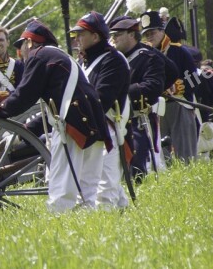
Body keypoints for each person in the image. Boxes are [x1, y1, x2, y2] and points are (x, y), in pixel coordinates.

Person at [0, 21, 111, 213]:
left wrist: (0, 110)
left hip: (73, 123)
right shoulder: (57, 56)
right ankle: (87, 222)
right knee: (87, 187)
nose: (20, 53)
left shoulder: (39, 56)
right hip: (92, 121)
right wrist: (25, 131)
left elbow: (24, 95)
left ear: (30, 43)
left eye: (20, 46)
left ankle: (58, 219)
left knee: (61, 182)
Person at [70, 11, 130, 209]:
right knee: (95, 182)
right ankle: (126, 215)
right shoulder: (82, 62)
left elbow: (101, 99)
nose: (76, 38)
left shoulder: (113, 61)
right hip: (87, 126)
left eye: (81, 34)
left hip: (106, 127)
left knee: (105, 189)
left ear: (95, 36)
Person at [109, 16, 166, 179]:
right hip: (113, 119)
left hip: (137, 119)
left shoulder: (149, 58)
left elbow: (153, 86)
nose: (114, 38)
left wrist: (120, 93)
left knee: (137, 168)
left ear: (132, 35)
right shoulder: (113, 59)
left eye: (118, 34)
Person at [141, 11, 198, 163]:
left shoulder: (178, 51)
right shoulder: (145, 54)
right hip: (157, 108)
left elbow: (195, 78)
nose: (149, 37)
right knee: (161, 153)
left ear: (161, 31)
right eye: (146, 34)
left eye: (152, 32)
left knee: (186, 154)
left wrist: (180, 86)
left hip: (179, 104)